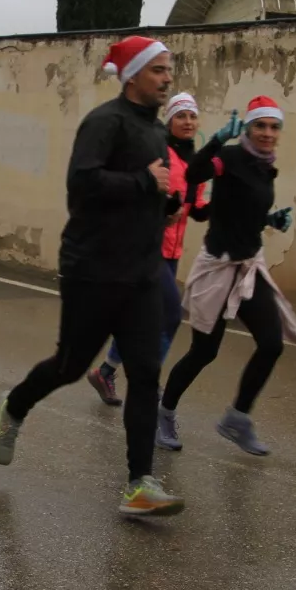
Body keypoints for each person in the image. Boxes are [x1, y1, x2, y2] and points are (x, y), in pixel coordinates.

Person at [0, 36, 184, 518]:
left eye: (168, 69)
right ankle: (14, 405)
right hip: (92, 269)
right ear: (132, 74)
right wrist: (144, 184)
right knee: (71, 366)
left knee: (145, 373)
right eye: (158, 69)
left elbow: (144, 195)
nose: (167, 77)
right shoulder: (104, 122)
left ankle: (139, 483)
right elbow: (82, 185)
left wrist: (168, 203)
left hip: (140, 272)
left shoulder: (155, 131)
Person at [157, 96, 296, 455]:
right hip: (218, 267)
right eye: (260, 126)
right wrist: (218, 140)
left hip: (248, 265)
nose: (267, 133)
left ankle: (236, 419)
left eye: (273, 127)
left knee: (271, 344)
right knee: (204, 352)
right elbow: (194, 174)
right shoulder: (232, 156)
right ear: (248, 128)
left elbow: (240, 209)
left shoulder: (265, 167)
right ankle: (164, 412)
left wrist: (270, 220)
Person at [87, 91, 210, 407]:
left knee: (137, 316)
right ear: (169, 121)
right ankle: (146, 383)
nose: (187, 122)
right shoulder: (160, 153)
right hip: (147, 246)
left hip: (172, 252)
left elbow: (195, 210)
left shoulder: (195, 162)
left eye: (192, 116)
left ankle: (106, 370)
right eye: (180, 116)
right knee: (169, 316)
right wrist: (164, 208)